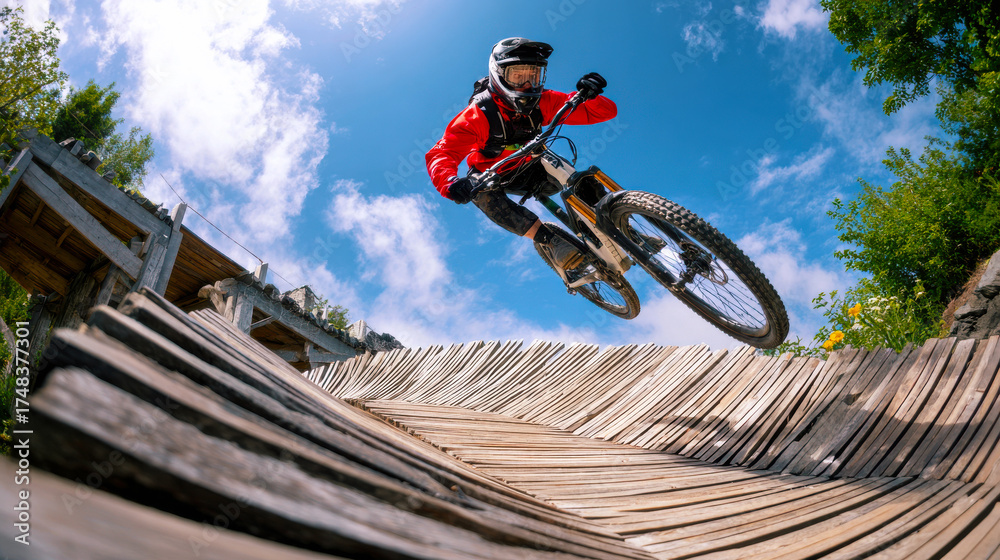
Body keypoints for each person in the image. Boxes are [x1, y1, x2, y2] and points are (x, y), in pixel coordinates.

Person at [425, 37, 617, 269]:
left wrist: (593, 97)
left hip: (534, 167)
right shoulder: (477, 115)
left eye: (533, 76)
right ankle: (551, 241)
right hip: (496, 176)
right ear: (499, 75)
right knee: (480, 194)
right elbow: (442, 153)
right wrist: (451, 182)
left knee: (577, 177)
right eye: (518, 76)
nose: (527, 84)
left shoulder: (543, 101)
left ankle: (619, 227)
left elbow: (601, 113)